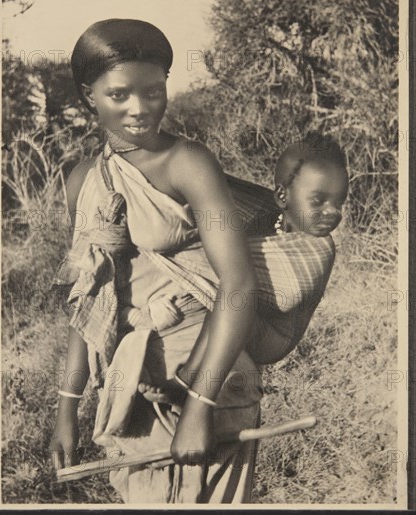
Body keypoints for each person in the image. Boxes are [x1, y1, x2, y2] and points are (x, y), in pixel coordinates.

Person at [48, 19, 340, 503]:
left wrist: (200, 407)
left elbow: (238, 285)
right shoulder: (84, 180)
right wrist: (66, 413)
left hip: (212, 375)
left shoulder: (188, 163)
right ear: (88, 95)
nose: (139, 109)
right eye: (119, 95)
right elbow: (89, 298)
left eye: (154, 92)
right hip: (131, 378)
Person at [140, 134, 349, 405]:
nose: (333, 212)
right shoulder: (266, 215)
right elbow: (217, 194)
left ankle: (185, 380)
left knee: (232, 295)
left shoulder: (318, 249)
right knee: (230, 285)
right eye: (319, 201)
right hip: (256, 312)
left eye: (339, 203)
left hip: (273, 337)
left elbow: (233, 269)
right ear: (283, 197)